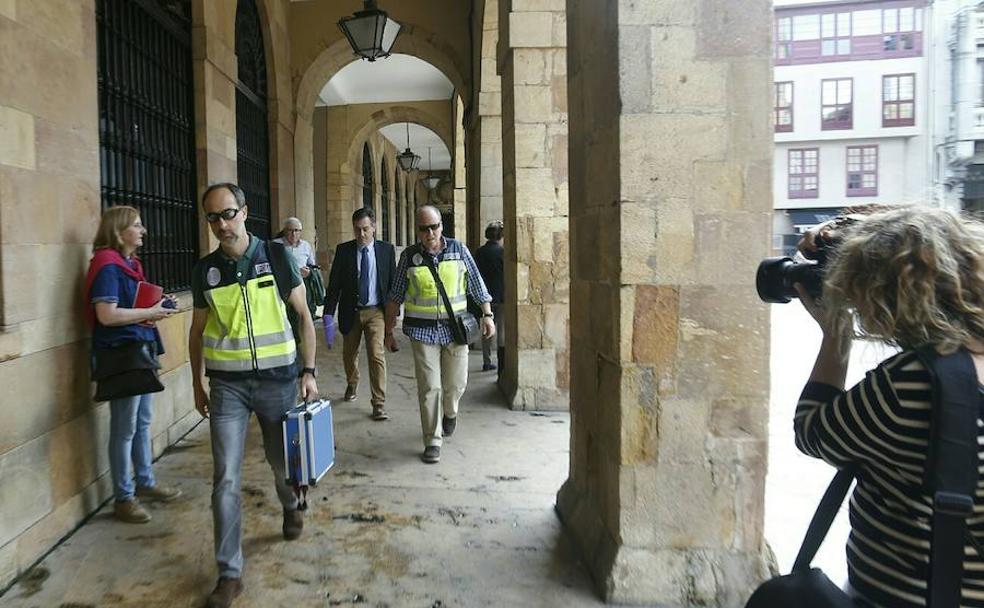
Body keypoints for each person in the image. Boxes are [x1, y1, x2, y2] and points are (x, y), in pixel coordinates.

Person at [793, 206, 984, 607]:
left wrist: (836, 336)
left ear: (886, 292)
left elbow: (813, 433)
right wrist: (842, 230)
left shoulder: (915, 382)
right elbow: (922, 237)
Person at [188, 183, 319, 608]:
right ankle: (229, 573)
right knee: (225, 477)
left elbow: (304, 316)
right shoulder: (206, 270)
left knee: (281, 465)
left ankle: (291, 504)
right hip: (227, 387)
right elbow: (196, 331)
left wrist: (309, 371)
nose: (221, 224)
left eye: (228, 214)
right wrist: (196, 382)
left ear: (244, 212)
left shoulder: (277, 256)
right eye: (213, 217)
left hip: (277, 383)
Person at [83, 206, 182, 524]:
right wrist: (150, 313)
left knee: (141, 422)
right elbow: (107, 314)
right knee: (124, 428)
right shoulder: (107, 265)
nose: (143, 231)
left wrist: (159, 305)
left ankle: (145, 482)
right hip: (122, 355)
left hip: (140, 351)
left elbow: (133, 304)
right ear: (119, 230)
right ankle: (123, 498)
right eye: (137, 226)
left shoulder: (131, 265)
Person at [384, 205, 495, 464]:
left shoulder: (459, 250)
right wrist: (388, 331)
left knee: (456, 384)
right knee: (429, 387)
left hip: (456, 331)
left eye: (434, 227)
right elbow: (395, 296)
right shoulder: (409, 257)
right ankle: (432, 440)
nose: (430, 233)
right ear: (418, 231)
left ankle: (450, 411)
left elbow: (477, 284)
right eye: (424, 229)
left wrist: (487, 314)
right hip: (422, 332)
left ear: (441, 226)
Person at [324, 207, 396, 420]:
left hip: (376, 311)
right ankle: (352, 382)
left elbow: (392, 284)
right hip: (351, 310)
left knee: (376, 354)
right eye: (357, 229)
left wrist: (392, 318)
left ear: (374, 227)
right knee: (349, 354)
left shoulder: (386, 250)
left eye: (365, 229)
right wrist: (328, 315)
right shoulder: (344, 250)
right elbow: (334, 285)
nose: (361, 234)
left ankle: (379, 403)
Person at [272, 217, 324, 321]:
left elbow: (312, 265)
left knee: (303, 316)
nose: (293, 234)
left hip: (302, 286)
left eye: (296, 230)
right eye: (290, 230)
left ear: (300, 232)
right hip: (283, 286)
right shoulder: (275, 245)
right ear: (285, 231)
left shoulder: (306, 246)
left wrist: (309, 272)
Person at [474, 220, 504, 374]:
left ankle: (487, 361)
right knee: (501, 331)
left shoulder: (480, 252)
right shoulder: (502, 252)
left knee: (487, 329)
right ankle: (502, 362)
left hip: (484, 296)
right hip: (501, 295)